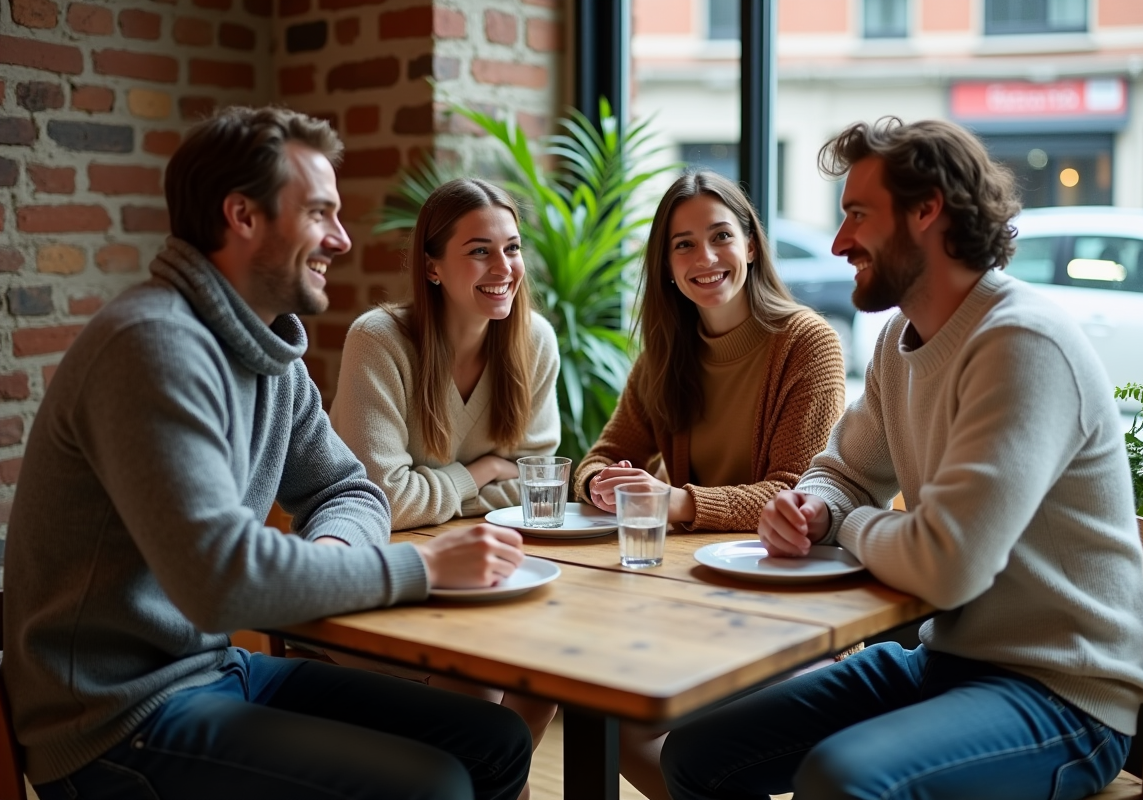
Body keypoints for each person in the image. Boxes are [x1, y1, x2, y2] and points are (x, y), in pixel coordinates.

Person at [2, 106, 532, 800]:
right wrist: (420, 567)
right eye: (319, 213)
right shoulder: (153, 346)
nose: (341, 238)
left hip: (212, 670)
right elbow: (221, 582)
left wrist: (336, 560)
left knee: (494, 740)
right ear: (243, 217)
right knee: (431, 786)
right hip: (116, 717)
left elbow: (348, 490)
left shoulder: (271, 356)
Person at [660, 118, 1143, 800]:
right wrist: (815, 507)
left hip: (1062, 696)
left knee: (841, 779)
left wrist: (846, 525)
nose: (839, 242)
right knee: (697, 753)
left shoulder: (1021, 344)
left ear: (927, 210)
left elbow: (946, 566)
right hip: (946, 660)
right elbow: (843, 472)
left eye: (858, 215)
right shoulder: (903, 339)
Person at [574, 170, 845, 799]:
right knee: (614, 721)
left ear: (750, 243)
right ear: (667, 266)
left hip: (791, 615)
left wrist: (676, 501)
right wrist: (599, 484)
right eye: (683, 244)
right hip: (693, 602)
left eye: (720, 236)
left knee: (673, 734)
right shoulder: (666, 352)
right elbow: (602, 456)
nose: (705, 257)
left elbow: (796, 493)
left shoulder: (808, 344)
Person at [328, 178, 560, 777]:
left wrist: (435, 490)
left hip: (486, 576)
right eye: (480, 251)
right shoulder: (379, 340)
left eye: (512, 248)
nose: (503, 268)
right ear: (432, 267)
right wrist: (480, 472)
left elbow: (537, 488)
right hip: (382, 582)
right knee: (481, 689)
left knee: (544, 681)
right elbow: (383, 499)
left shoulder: (534, 342)